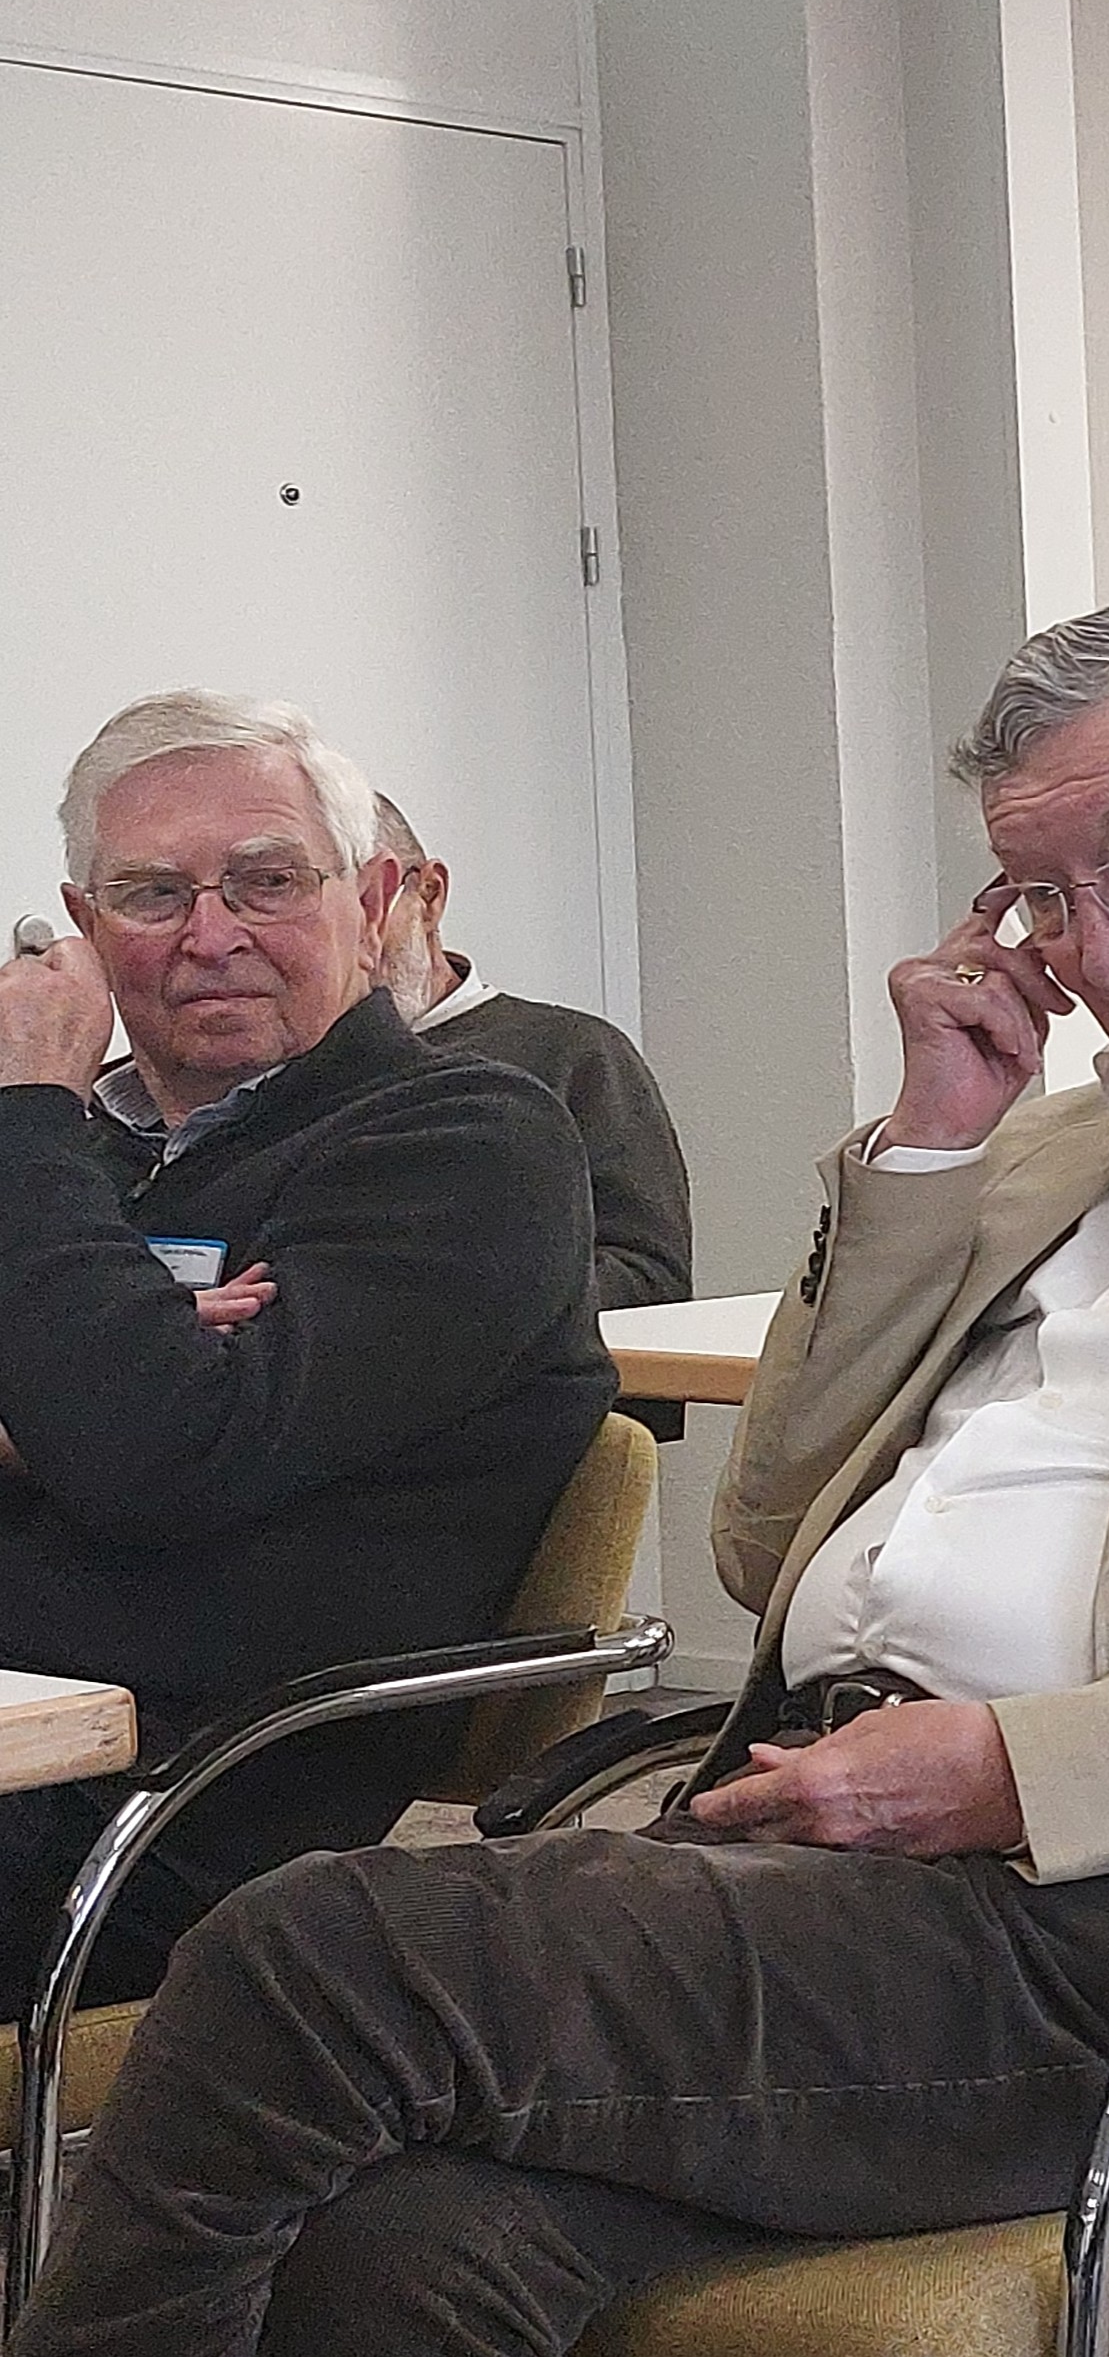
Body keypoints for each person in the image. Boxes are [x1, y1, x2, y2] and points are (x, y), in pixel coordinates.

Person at [10, 606, 1109, 2357]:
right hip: (841, 1848)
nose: (1096, 948)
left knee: (311, 1959)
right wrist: (926, 1151)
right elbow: (764, 1544)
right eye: (1039, 899)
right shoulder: (1044, 1143)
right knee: (404, 2249)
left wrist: (1009, 1768)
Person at [0, 692, 612, 2006]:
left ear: (375, 900)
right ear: (85, 925)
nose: (212, 934)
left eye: (267, 881)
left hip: (151, 1829)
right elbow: (119, 1408)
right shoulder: (84, 1161)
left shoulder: (467, 1141)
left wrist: (31, 1118)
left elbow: (149, 1452)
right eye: (153, 894)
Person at [371, 794, 695, 1313]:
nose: (351, 940)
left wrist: (434, 1307)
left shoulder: (575, 1055)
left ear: (429, 895)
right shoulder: (268, 1072)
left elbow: (649, 1279)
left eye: (370, 904)